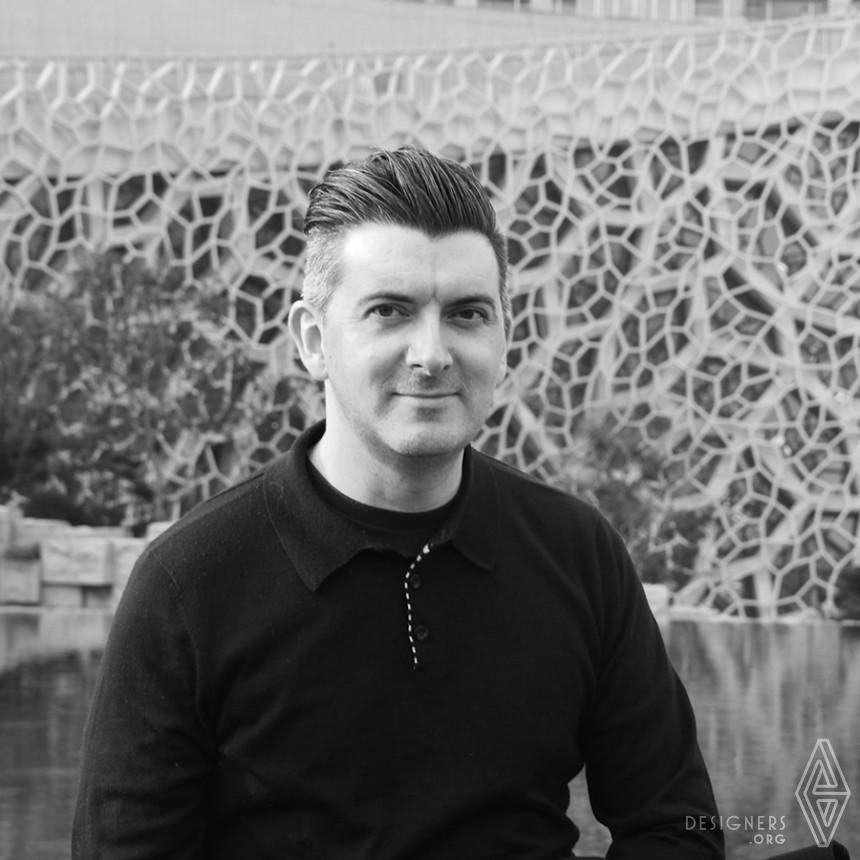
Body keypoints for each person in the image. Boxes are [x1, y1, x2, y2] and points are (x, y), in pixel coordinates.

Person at [72, 145, 725, 859]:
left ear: (505, 338)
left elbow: (679, 827)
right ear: (313, 340)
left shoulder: (577, 553)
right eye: (390, 311)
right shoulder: (189, 583)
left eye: (467, 314)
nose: (432, 353)